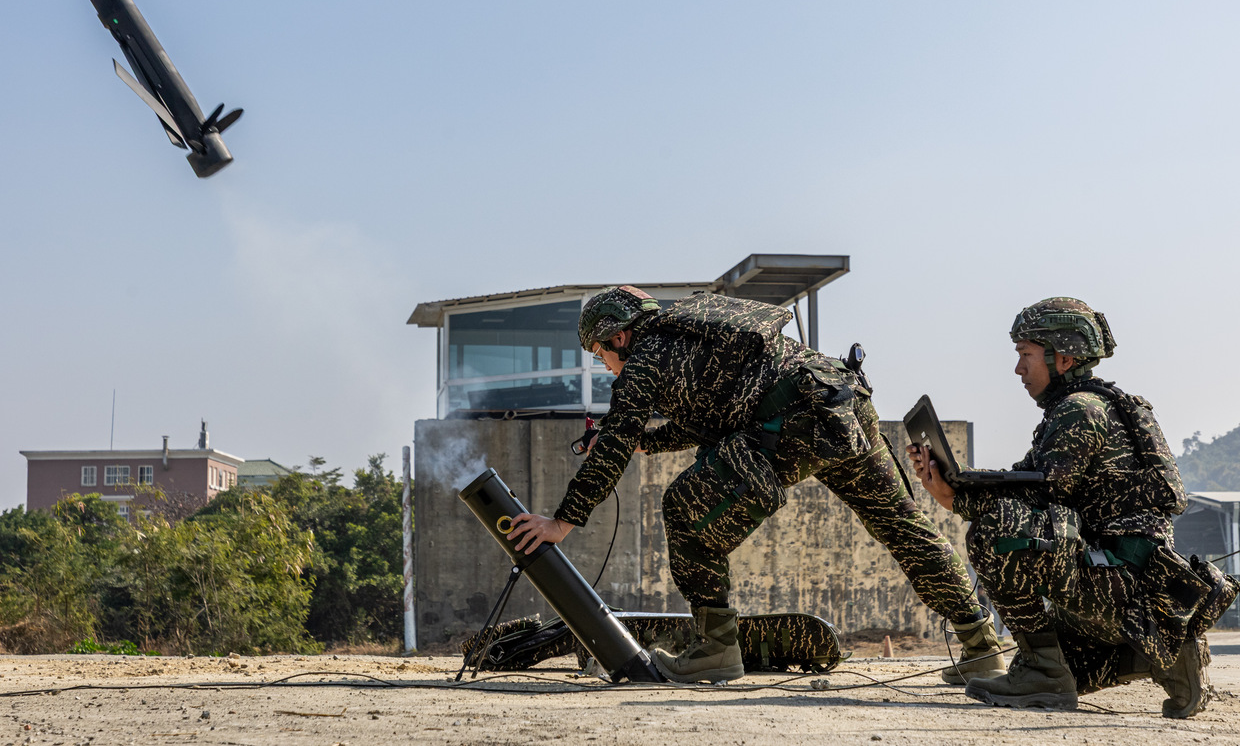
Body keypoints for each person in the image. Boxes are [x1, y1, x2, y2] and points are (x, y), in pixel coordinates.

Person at [508, 285, 1004, 683]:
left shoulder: (645, 359)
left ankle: (716, 648)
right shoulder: (695, 331)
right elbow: (713, 419)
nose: (606, 365)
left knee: (684, 510)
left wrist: (561, 522)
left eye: (600, 353)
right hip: (840, 399)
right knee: (902, 525)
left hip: (792, 421)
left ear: (618, 337)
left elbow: (613, 444)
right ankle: (983, 648)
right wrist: (648, 443)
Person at [910, 297, 1238, 717]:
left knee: (998, 529)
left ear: (1061, 357)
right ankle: (1164, 654)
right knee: (1074, 670)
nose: (1018, 369)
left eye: (1025, 355)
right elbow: (1025, 481)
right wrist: (951, 488)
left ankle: (1046, 671)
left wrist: (956, 497)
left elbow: (1036, 499)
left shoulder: (1079, 411)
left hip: (1119, 579)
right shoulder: (1094, 406)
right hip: (1133, 585)